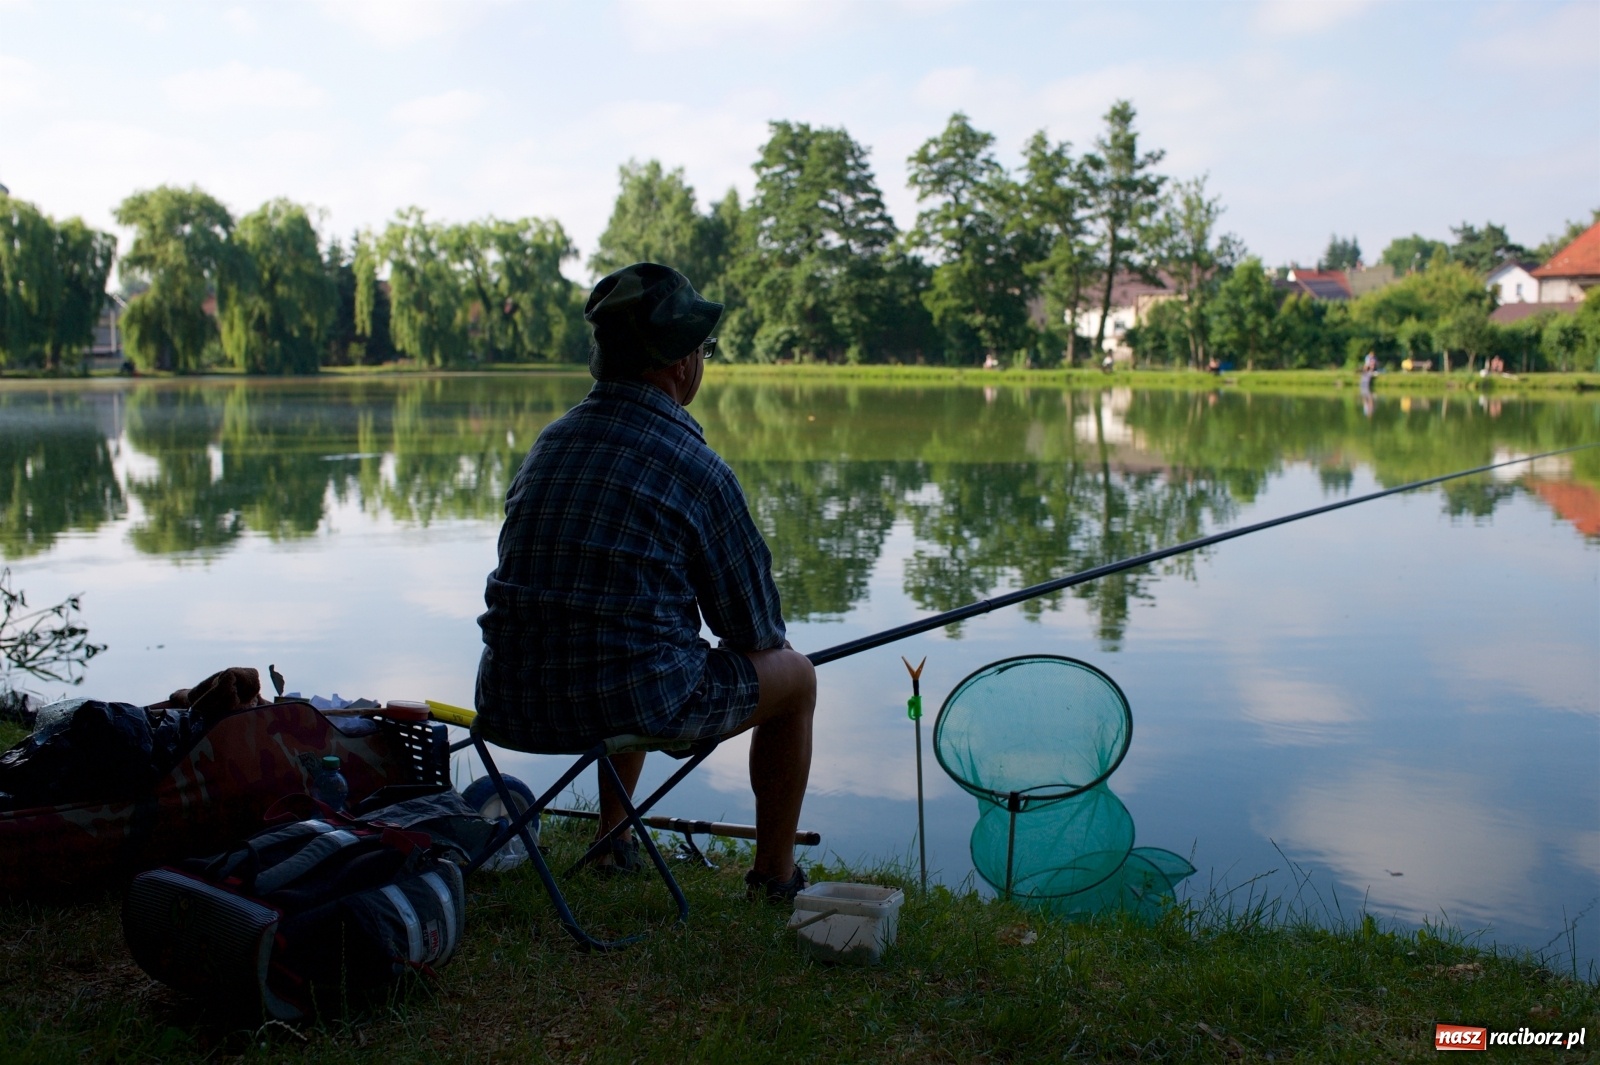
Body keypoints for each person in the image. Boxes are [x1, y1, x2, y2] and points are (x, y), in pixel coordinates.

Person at [474, 262, 816, 902]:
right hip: (625, 698)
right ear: (680, 363)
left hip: (508, 699)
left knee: (630, 633)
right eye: (702, 349)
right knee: (794, 677)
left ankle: (614, 840)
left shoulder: (549, 445)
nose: (703, 361)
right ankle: (774, 879)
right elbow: (758, 631)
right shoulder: (697, 468)